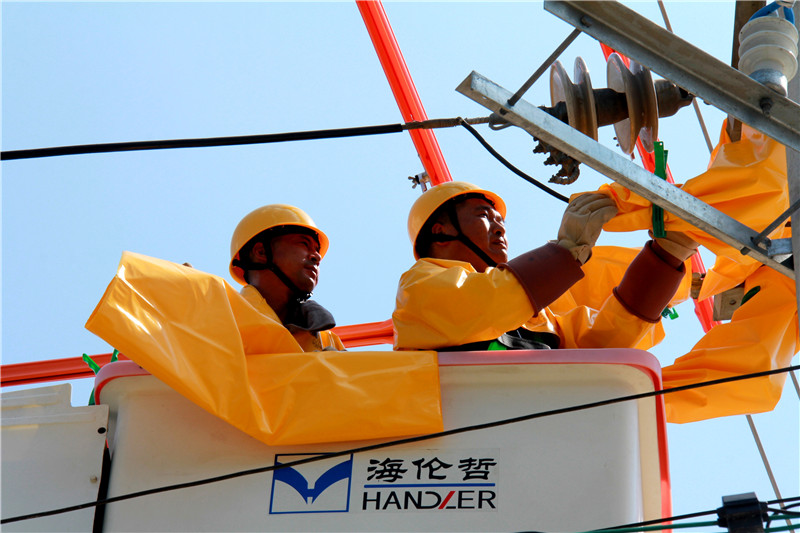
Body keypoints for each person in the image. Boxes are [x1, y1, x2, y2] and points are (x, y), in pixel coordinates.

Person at [392, 181, 697, 351]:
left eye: (501, 220)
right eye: (483, 215)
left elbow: (603, 342)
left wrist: (666, 257)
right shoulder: (418, 289)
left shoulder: (535, 318)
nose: (500, 228)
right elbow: (482, 303)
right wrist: (567, 251)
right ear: (441, 231)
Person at [229, 204, 344, 351]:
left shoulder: (327, 340)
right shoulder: (226, 316)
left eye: (317, 249)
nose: (317, 257)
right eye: (304, 243)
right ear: (261, 252)